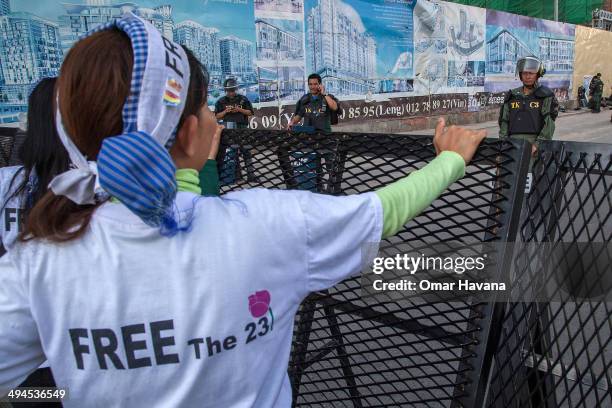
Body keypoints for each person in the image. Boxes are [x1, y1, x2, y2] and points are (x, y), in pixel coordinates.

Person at [0, 14, 486, 407]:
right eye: (205, 106)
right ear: (189, 133)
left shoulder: (38, 258)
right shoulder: (267, 225)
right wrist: (450, 159)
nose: (216, 115)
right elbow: (381, 210)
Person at [498, 56, 559, 157]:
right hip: (512, 144)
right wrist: (503, 144)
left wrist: (537, 145)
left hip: (535, 146)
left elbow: (549, 124)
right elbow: (504, 122)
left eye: (531, 73)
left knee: (533, 172)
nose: (528, 76)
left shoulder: (545, 95)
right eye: (525, 73)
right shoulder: (512, 95)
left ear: (538, 74)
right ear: (521, 75)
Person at [214, 77, 256, 183]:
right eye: (229, 90)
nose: (231, 93)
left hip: (242, 128)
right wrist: (225, 111)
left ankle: (251, 175)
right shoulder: (221, 101)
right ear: (225, 90)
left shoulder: (243, 99)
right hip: (228, 129)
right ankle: (236, 175)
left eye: (233, 90)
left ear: (236, 89)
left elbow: (250, 112)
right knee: (232, 153)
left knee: (246, 151)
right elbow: (217, 117)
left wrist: (239, 109)